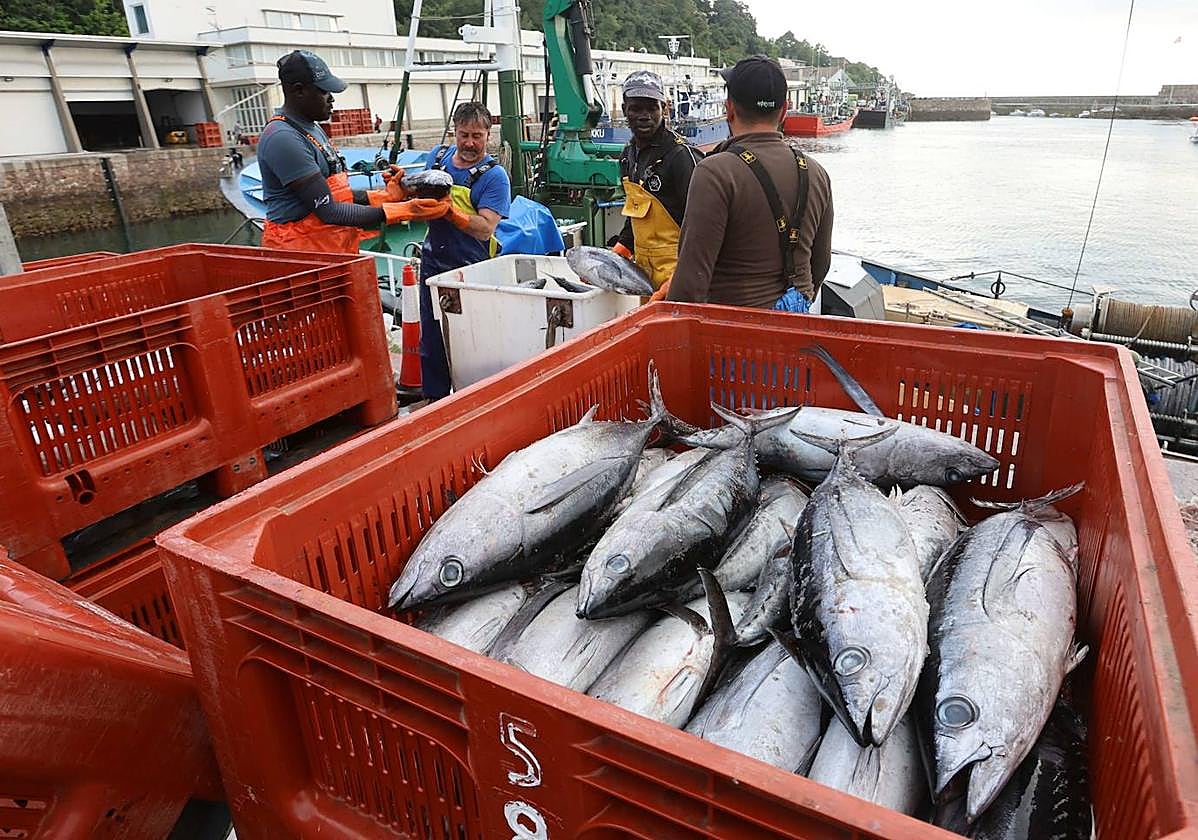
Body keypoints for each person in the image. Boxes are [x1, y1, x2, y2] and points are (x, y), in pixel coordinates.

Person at [669, 55, 833, 310]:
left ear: (729, 108)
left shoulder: (714, 173)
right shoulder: (817, 173)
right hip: (797, 333)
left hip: (733, 338)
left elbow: (690, 284)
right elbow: (820, 263)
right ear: (784, 110)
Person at [257, 50, 448, 254]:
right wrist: (405, 210)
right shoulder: (284, 138)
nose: (331, 99)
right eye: (324, 91)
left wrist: (385, 196)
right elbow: (328, 210)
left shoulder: (311, 127)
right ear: (299, 90)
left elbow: (336, 195)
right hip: (302, 257)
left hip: (331, 249)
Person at [418, 101, 512, 400]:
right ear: (454, 133)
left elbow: (486, 228)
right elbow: (418, 192)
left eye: (477, 136)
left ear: (488, 135)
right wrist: (401, 186)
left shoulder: (494, 177)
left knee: (472, 339)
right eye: (463, 135)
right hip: (433, 262)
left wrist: (451, 214)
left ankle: (475, 397)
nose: (470, 143)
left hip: (471, 267)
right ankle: (434, 398)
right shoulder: (437, 158)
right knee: (432, 335)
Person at [611, 70, 701, 296]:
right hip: (643, 275)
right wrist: (622, 247)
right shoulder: (627, 156)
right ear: (624, 110)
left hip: (680, 275)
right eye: (636, 108)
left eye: (652, 108)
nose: (644, 115)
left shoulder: (679, 156)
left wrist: (682, 277)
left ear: (665, 109)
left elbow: (702, 227)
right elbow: (636, 214)